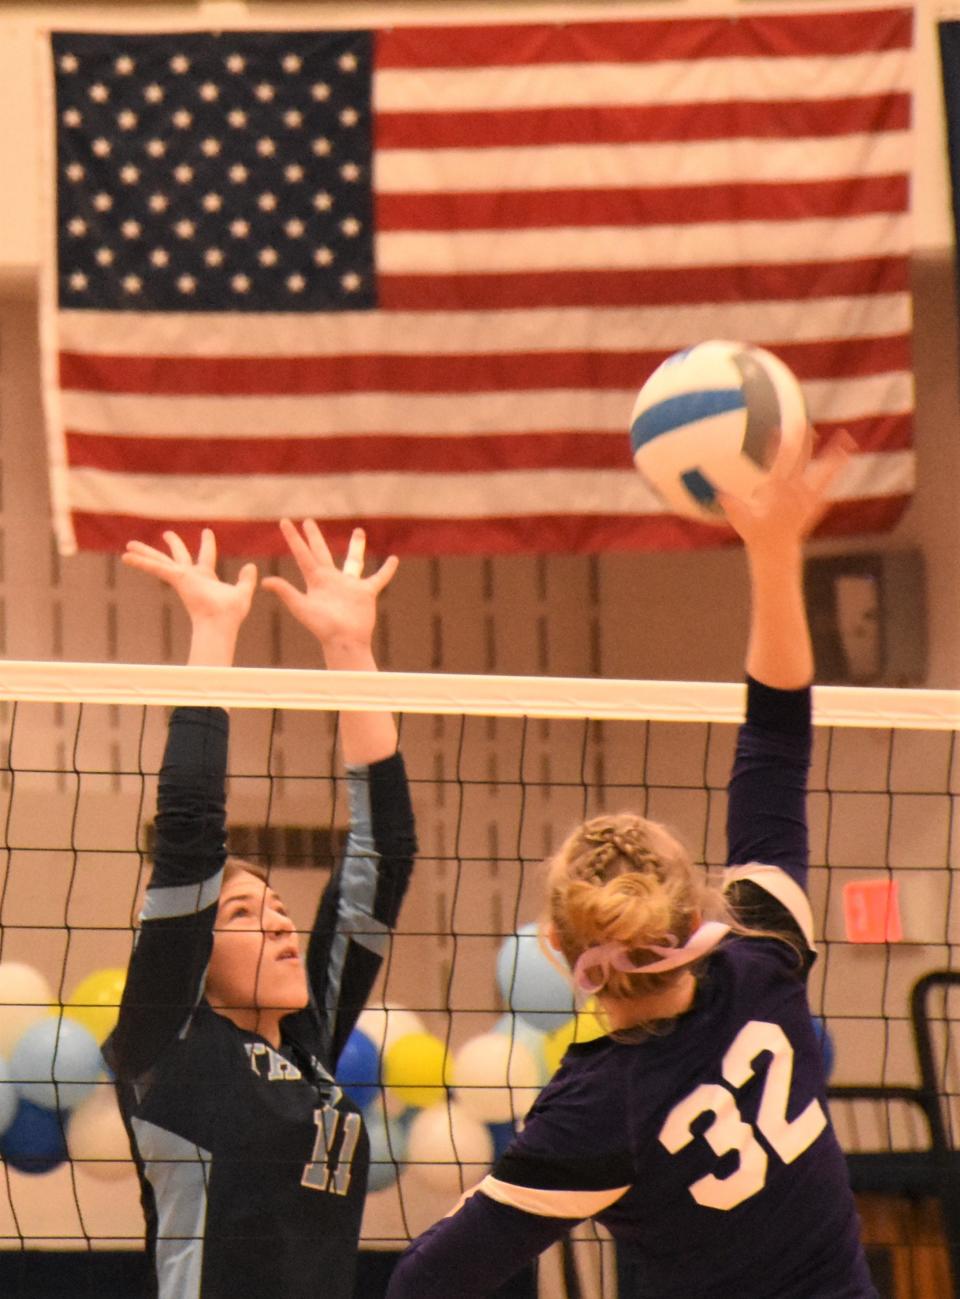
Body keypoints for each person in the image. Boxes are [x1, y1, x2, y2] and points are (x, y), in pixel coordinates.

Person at [387, 435, 877, 1299]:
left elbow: (425, 1281)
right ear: (696, 916)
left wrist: (498, 1192)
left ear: (553, 948)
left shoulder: (593, 1114)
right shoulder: (763, 953)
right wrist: (772, 549)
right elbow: (776, 738)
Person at [107, 521, 417, 1299]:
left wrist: (351, 650)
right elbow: (187, 836)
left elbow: (385, 857)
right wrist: (214, 629)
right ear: (193, 961)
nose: (282, 922)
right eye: (245, 914)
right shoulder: (165, 1041)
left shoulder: (309, 1045)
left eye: (278, 905)